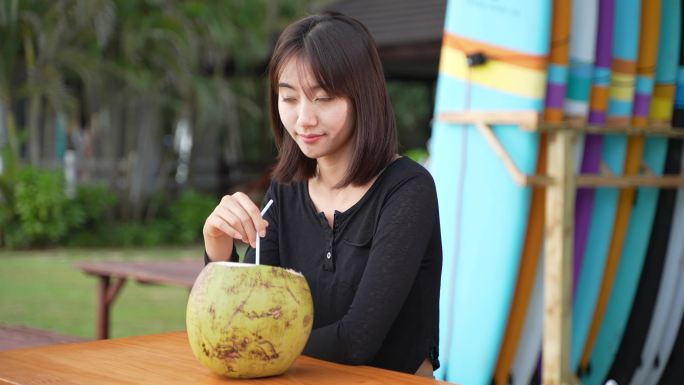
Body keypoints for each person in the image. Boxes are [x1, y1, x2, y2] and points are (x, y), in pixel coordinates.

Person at [203, 12, 442, 377]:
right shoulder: (284, 191)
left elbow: (357, 341)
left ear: (363, 97)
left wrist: (257, 339)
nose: (303, 119)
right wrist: (218, 248)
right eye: (289, 98)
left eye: (323, 98)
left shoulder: (407, 190)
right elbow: (242, 311)